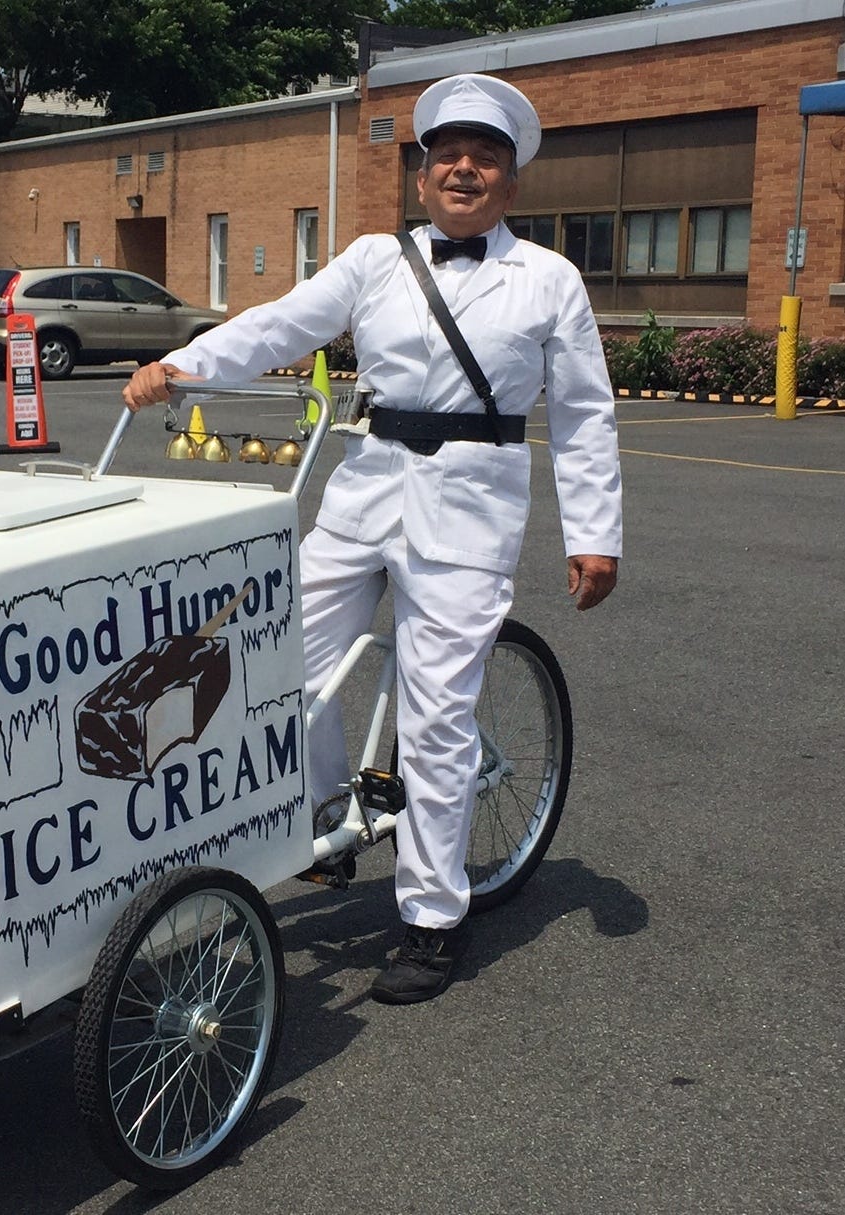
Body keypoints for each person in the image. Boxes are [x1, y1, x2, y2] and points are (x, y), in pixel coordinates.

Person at [123, 73, 622, 1004]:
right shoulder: (372, 259)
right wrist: (180, 362)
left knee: (436, 718)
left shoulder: (547, 279)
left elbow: (586, 416)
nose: (463, 171)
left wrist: (595, 534)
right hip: (365, 489)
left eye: (485, 159)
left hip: (472, 505)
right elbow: (279, 323)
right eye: (447, 156)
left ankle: (433, 916)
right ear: (422, 175)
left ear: (510, 185)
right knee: (279, 667)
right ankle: (320, 820)